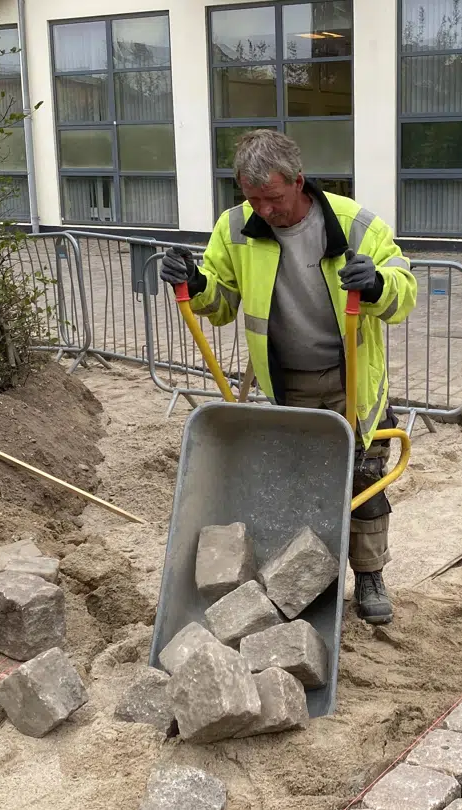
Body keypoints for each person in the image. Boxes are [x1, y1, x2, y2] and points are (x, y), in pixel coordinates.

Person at [159, 129, 418, 625]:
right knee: (300, 487)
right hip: (288, 384)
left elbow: (404, 293)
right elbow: (221, 302)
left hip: (354, 382)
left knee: (363, 479)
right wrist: (196, 283)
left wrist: (381, 283)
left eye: (273, 198)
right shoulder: (235, 228)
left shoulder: (355, 224)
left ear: (299, 182)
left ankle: (368, 575)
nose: (264, 210)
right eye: (252, 198)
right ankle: (309, 581)